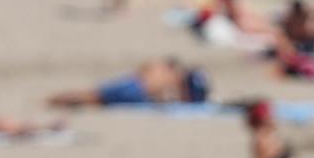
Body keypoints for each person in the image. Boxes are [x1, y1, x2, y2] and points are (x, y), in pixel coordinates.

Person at [46, 57, 209, 108]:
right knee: (94, 99)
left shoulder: (162, 68)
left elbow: (142, 69)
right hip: (141, 92)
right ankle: (55, 100)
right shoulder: (175, 76)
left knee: (93, 96)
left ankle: (54, 100)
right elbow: (182, 100)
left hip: (136, 85)